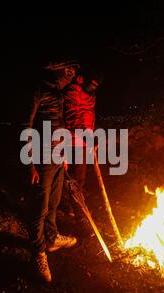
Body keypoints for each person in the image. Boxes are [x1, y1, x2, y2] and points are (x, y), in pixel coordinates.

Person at [25, 60, 80, 284]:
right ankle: (38, 253)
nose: (72, 76)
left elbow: (61, 123)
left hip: (58, 156)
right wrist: (30, 164)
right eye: (69, 72)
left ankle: (51, 237)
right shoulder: (38, 89)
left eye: (74, 73)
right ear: (57, 70)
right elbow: (26, 126)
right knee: (41, 205)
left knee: (55, 201)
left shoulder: (59, 93)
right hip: (42, 155)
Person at [63, 70, 102, 236]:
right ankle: (78, 214)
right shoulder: (73, 92)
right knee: (70, 179)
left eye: (96, 86)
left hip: (83, 142)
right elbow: (70, 116)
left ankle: (74, 208)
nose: (93, 87)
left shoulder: (91, 96)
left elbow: (89, 119)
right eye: (91, 83)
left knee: (80, 179)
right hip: (69, 141)